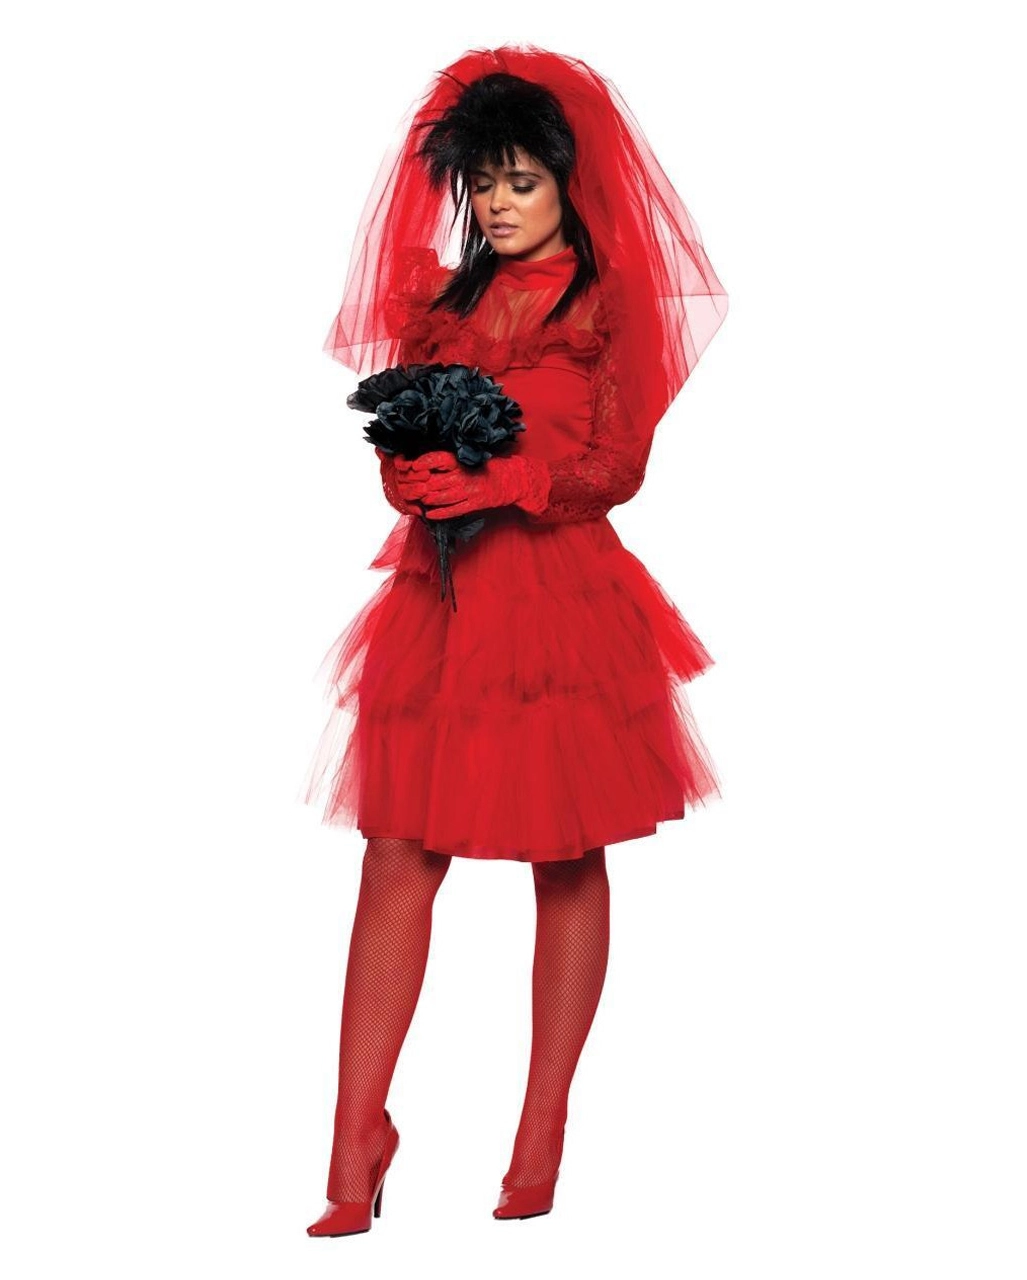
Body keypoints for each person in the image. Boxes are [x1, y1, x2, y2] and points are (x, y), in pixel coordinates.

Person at [302, 43, 728, 1236]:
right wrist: (414, 481)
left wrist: (511, 482)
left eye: (519, 180)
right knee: (397, 852)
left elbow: (617, 466)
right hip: (438, 604)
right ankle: (353, 1144)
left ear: (566, 182)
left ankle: (540, 1134)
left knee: (567, 853)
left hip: (555, 600)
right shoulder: (441, 305)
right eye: (481, 181)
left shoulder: (602, 303)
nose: (495, 201)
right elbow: (401, 442)